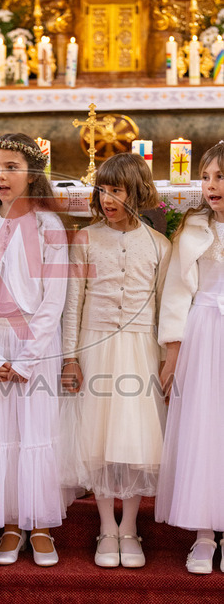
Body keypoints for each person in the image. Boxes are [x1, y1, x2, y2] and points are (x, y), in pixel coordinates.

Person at [60, 153, 171, 569]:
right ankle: (107, 526)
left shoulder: (159, 245)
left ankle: (130, 527)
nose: (107, 199)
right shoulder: (85, 240)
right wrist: (70, 357)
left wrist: (166, 361)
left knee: (136, 440)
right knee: (98, 439)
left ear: (137, 192)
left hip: (140, 350)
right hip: (96, 347)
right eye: (102, 190)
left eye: (117, 190)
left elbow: (163, 310)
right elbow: (73, 304)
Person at [0, 133, 68, 567]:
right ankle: (11, 523)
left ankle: (40, 523)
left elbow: (54, 298)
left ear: (32, 173)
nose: (1, 176)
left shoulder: (50, 226)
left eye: (11, 167)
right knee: (2, 433)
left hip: (36, 343)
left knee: (36, 430)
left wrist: (28, 359)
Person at [155, 141, 224, 574]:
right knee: (204, 427)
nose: (211, 185)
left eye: (221, 176)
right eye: (206, 177)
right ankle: (204, 532)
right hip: (205, 333)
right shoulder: (195, 228)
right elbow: (177, 294)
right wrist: (172, 354)